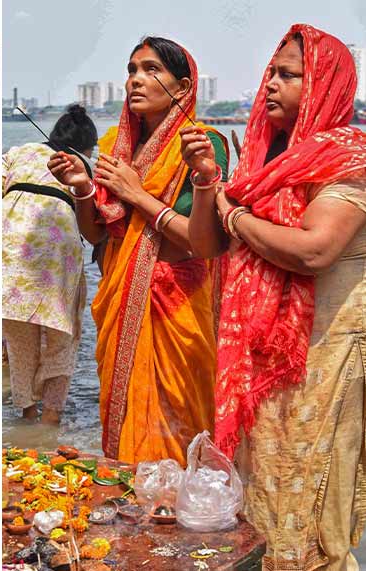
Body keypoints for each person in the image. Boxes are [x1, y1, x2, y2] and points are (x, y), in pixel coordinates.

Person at [181, 25, 366, 570]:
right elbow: (207, 244)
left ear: (326, 84)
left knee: (310, 499)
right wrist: (209, 182)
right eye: (271, 73)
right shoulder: (263, 161)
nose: (270, 85)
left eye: (289, 75)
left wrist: (235, 215)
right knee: (261, 487)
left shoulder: (349, 159)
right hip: (263, 361)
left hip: (324, 359)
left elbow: (313, 251)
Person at [48, 37, 229, 465]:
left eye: (152, 70)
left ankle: (182, 515)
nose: (136, 80)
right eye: (132, 70)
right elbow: (98, 235)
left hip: (177, 301)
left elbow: (202, 242)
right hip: (121, 291)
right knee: (128, 420)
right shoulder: (115, 145)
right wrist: (81, 188)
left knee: (178, 425)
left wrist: (135, 192)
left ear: (182, 88)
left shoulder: (202, 145)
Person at [1, 105, 97, 426]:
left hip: (12, 254)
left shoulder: (18, 152)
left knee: (19, 343)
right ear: (86, 147)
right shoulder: (84, 165)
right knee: (61, 341)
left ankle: (27, 416)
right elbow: (94, 218)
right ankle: (50, 420)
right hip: (59, 258)